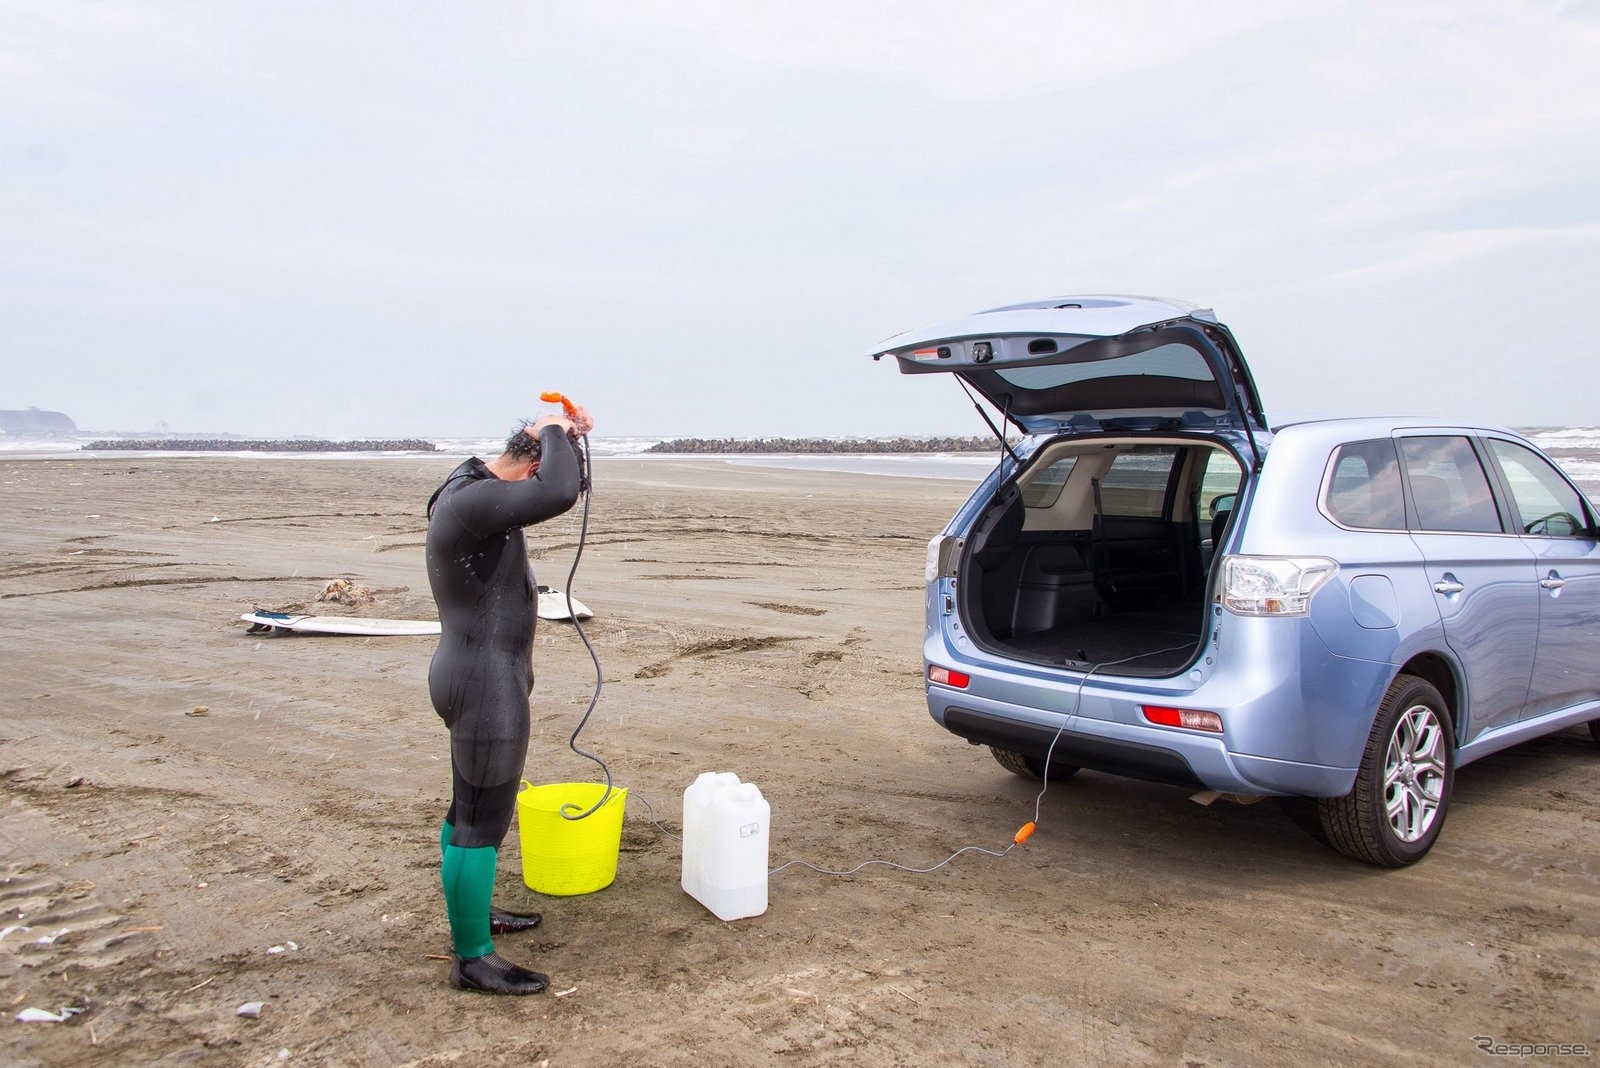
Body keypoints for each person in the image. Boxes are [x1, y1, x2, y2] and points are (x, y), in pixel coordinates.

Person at [425, 402, 594, 995]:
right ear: (529, 465)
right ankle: (472, 958)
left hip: (476, 672)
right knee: (481, 820)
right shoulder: (473, 501)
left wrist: (546, 436)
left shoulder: (471, 484)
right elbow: (558, 493)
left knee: (466, 805)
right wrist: (556, 430)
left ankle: (473, 915)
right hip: (482, 683)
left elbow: (547, 483)